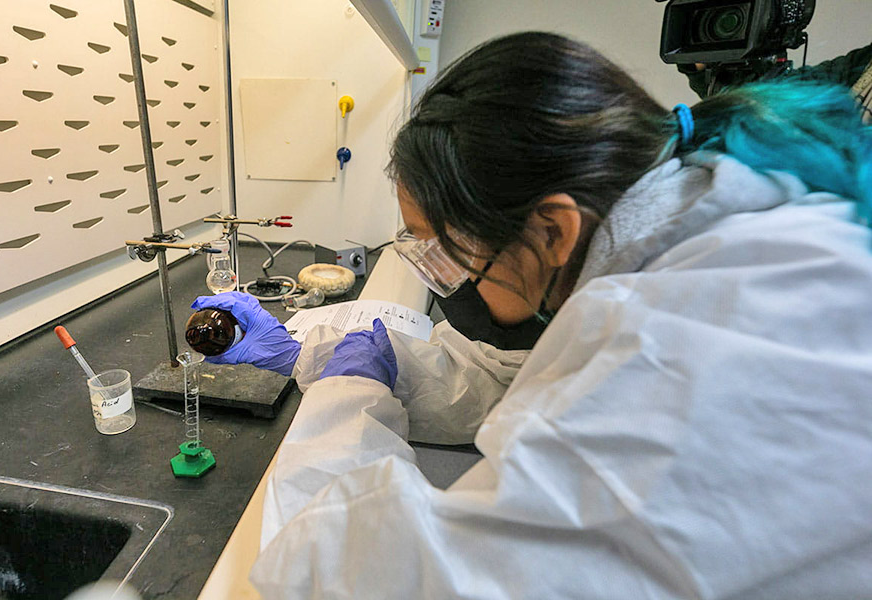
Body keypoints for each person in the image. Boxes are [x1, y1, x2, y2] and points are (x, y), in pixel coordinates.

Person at [221, 32, 872, 597]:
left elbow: (367, 578)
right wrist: (323, 354)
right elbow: (521, 380)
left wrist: (343, 404)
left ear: (554, 229)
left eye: (450, 246)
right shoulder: (714, 227)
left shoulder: (677, 342)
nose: (449, 271)